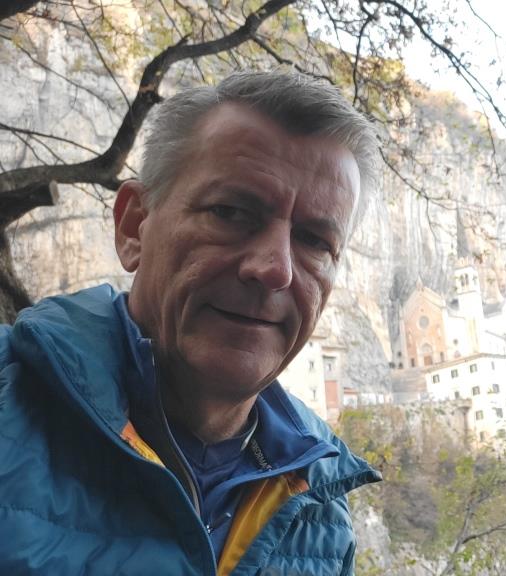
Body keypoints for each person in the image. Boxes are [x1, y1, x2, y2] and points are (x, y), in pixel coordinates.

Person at [0, 71, 383, 575]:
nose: (275, 269)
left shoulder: (321, 503)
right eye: (231, 213)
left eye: (314, 241)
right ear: (134, 226)